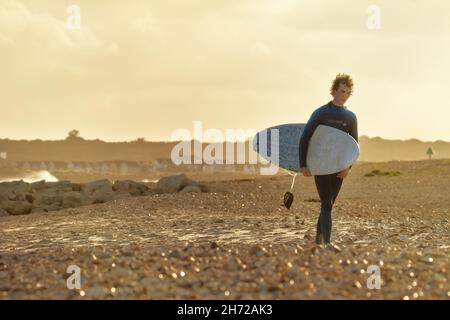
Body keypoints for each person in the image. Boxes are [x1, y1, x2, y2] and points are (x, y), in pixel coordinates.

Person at [299, 73, 358, 252]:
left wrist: (348, 167)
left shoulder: (351, 117)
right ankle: (327, 243)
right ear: (333, 91)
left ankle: (319, 241)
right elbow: (305, 138)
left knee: (329, 203)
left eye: (348, 92)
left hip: (339, 166)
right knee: (326, 202)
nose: (344, 95)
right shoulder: (321, 113)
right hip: (321, 165)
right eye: (341, 91)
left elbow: (354, 145)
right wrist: (303, 164)